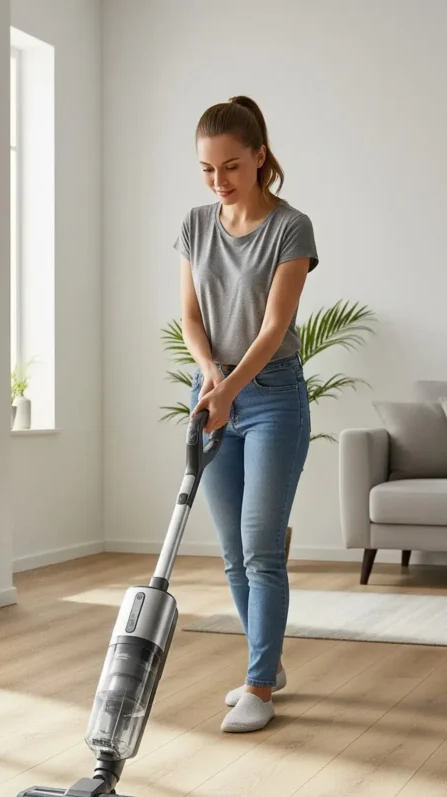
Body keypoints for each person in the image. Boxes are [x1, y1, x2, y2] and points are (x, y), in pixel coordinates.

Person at [173, 95, 318, 734]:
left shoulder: (292, 228)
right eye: (207, 169)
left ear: (259, 157)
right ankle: (268, 662)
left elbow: (275, 326)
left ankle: (259, 685)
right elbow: (190, 316)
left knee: (262, 548)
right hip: (212, 393)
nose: (219, 181)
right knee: (233, 553)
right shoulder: (195, 225)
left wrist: (231, 388)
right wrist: (210, 375)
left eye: (230, 166)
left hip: (272, 396)